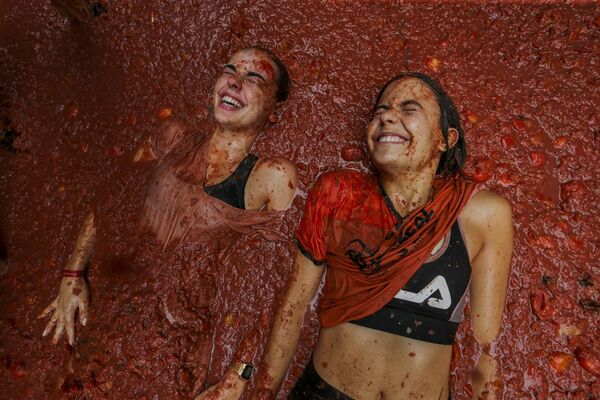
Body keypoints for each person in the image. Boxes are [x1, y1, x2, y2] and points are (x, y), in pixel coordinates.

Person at [37, 46, 298, 395]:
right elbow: (112, 196)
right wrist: (73, 273)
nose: (235, 82)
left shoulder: (272, 177)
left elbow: (276, 287)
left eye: (254, 78)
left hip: (181, 342)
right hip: (112, 313)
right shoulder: (172, 135)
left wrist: (237, 378)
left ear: (275, 111)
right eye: (230, 70)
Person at [242, 73, 513, 400]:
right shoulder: (337, 194)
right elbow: (294, 306)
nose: (386, 116)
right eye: (380, 111)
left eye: (409, 109)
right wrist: (263, 394)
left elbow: (487, 348)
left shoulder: (484, 215)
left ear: (446, 138)